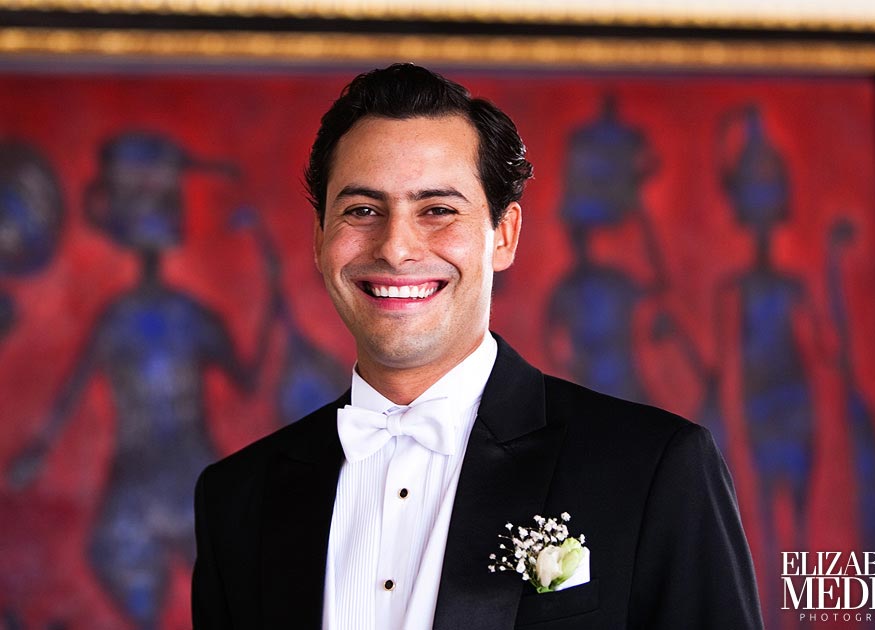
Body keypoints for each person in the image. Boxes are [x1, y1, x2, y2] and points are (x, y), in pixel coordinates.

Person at [191, 63, 763, 629]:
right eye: (362, 210)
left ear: (504, 235)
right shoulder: (237, 499)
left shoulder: (655, 466)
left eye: (438, 210)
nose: (395, 248)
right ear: (320, 241)